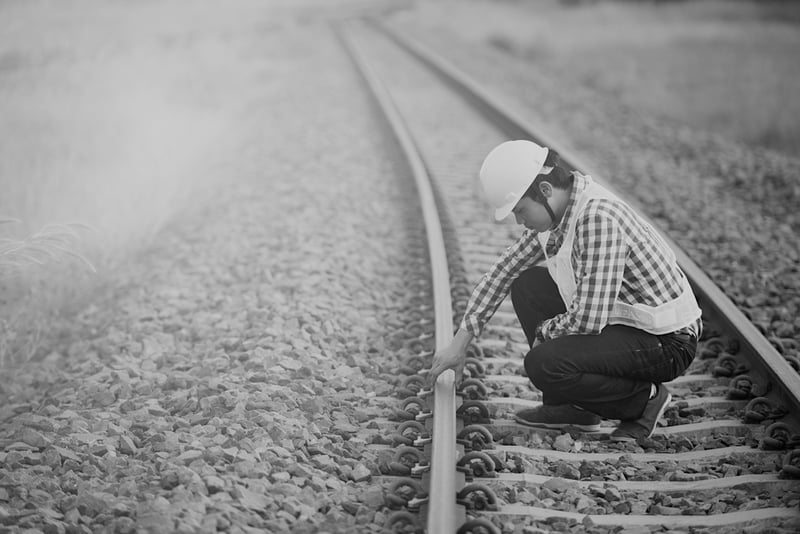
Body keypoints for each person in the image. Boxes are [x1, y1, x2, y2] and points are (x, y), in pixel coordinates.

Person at [427, 140, 702, 442]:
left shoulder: (597, 218)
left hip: (666, 341)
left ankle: (647, 401)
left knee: (543, 363)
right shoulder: (558, 214)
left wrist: (544, 335)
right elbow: (503, 271)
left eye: (520, 210)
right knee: (527, 284)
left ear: (545, 191)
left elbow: (588, 320)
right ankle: (571, 409)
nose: (519, 220)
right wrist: (460, 342)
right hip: (627, 326)